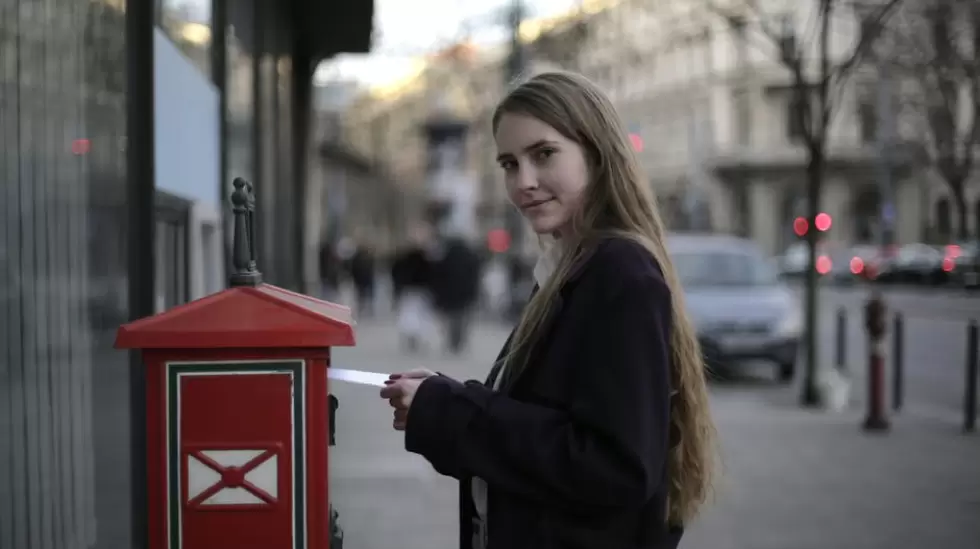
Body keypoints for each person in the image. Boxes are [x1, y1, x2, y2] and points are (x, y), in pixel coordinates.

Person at [380, 71, 718, 549]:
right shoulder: (573, 266)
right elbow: (549, 418)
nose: (524, 182)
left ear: (597, 154)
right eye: (509, 164)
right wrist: (440, 399)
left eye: (543, 155)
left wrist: (451, 412)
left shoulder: (619, 272)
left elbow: (615, 466)